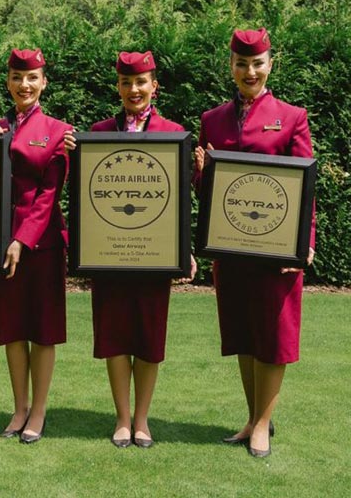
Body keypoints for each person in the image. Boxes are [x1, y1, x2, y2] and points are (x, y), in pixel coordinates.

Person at [194, 28, 316, 458]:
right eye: (242, 63)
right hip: (231, 249)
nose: (250, 71)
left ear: (270, 64)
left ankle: (263, 424)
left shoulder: (292, 117)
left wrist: (304, 245)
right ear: (230, 66)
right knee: (243, 334)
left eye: (257, 63)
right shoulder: (212, 120)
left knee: (273, 338)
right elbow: (208, 194)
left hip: (276, 252)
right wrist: (201, 172)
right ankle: (252, 417)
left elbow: (305, 187)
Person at [89, 51, 195, 448]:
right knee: (115, 337)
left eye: (141, 82)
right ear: (118, 87)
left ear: (154, 86)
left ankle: (142, 419)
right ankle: (121, 417)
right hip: (109, 252)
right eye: (126, 83)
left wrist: (183, 250)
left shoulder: (174, 132)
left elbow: (179, 200)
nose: (134, 90)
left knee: (149, 338)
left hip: (155, 254)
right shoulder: (98, 133)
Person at [0, 48, 71, 444]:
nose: (24, 84)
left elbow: (49, 195)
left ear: (44, 82)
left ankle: (38, 411)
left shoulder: (59, 131)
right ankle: (19, 408)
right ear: (8, 82)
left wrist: (22, 240)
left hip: (43, 246)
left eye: (32, 77)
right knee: (13, 329)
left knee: (43, 332)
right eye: (17, 77)